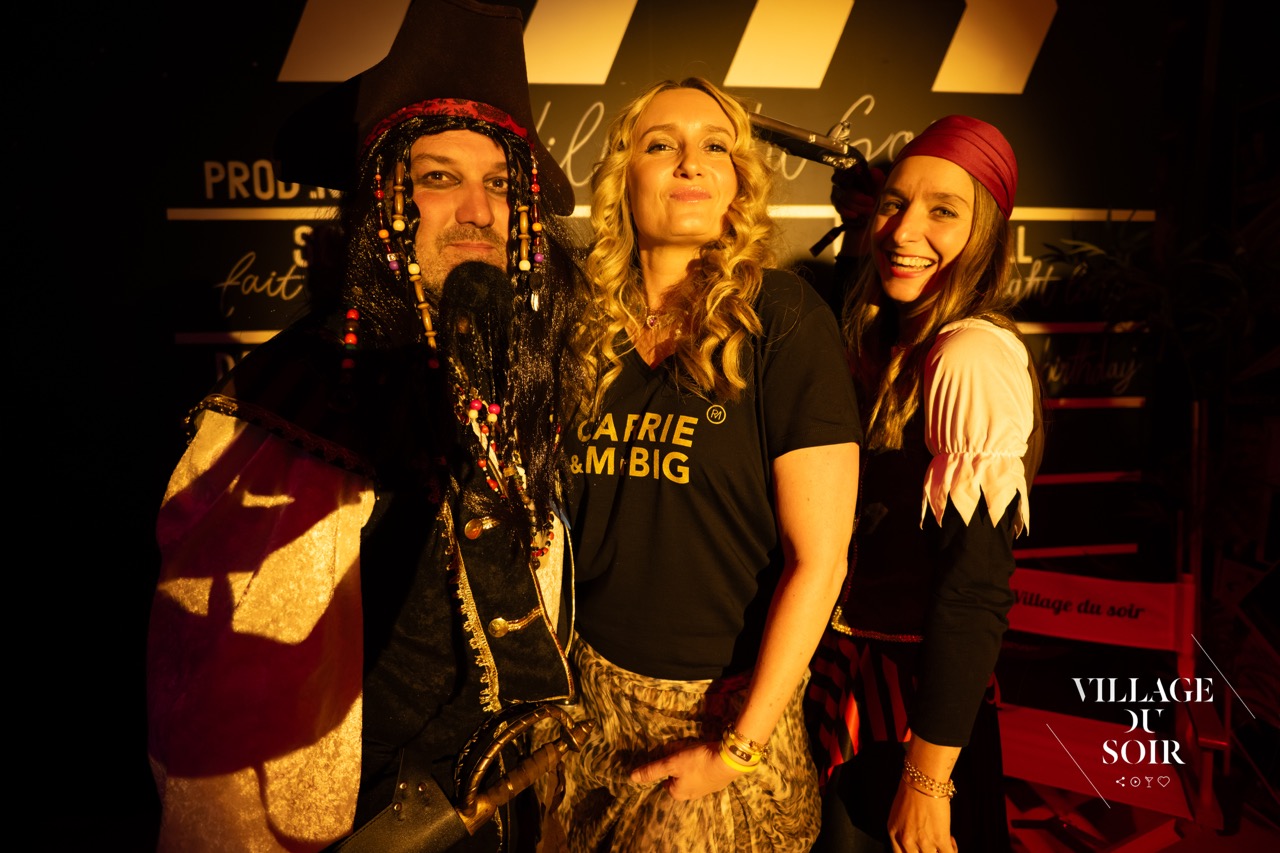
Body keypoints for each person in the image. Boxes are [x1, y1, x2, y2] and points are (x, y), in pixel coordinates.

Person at [145, 2, 592, 851]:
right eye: (439, 177)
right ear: (380, 199)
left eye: (501, 183)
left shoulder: (517, 375)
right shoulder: (295, 401)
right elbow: (225, 714)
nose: (478, 210)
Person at [544, 77, 862, 851]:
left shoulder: (783, 317)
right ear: (624, 178)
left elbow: (821, 561)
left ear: (738, 182)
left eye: (714, 146)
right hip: (583, 721)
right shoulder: (576, 324)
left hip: (720, 725)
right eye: (661, 144)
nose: (690, 162)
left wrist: (737, 747)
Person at [806, 114, 1044, 853]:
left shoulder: (971, 356)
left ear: (985, 236)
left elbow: (975, 586)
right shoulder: (895, 336)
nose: (905, 230)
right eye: (895, 204)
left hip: (912, 712)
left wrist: (928, 777)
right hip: (849, 686)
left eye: (943, 211)